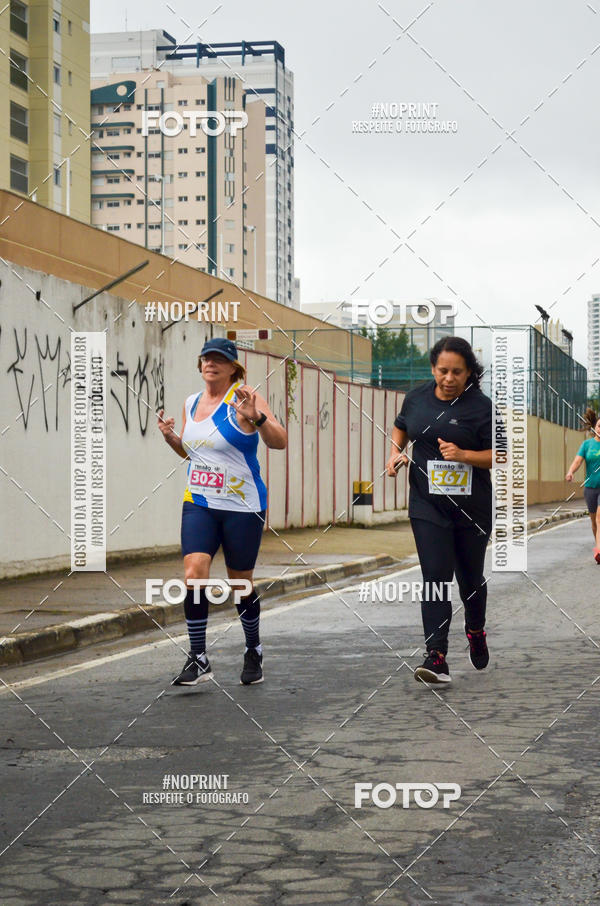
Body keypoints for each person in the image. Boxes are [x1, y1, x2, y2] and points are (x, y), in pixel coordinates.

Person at [157, 337, 287, 687]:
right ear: (200, 365)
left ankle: (253, 649)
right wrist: (172, 439)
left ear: (233, 367)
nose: (211, 364)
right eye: (206, 359)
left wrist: (257, 418)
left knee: (240, 583)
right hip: (199, 503)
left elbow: (279, 441)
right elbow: (192, 454)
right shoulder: (191, 403)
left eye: (219, 359)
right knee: (193, 572)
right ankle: (198, 657)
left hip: (242, 506)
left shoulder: (245, 398)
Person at [386, 336, 494, 685]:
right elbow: (402, 426)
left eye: (457, 372)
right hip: (427, 504)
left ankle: (475, 628)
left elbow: (501, 455)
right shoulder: (416, 398)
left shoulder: (482, 407)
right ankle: (437, 656)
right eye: (442, 371)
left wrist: (464, 455)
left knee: (470, 581)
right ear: (433, 369)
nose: (449, 378)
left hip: (471, 509)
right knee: (435, 576)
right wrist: (395, 453)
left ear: (468, 373)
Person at [566, 408, 600, 563]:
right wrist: (571, 471)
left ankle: (598, 550)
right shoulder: (587, 445)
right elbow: (578, 461)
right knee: (594, 521)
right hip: (591, 487)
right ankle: (598, 545)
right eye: (599, 426)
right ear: (595, 428)